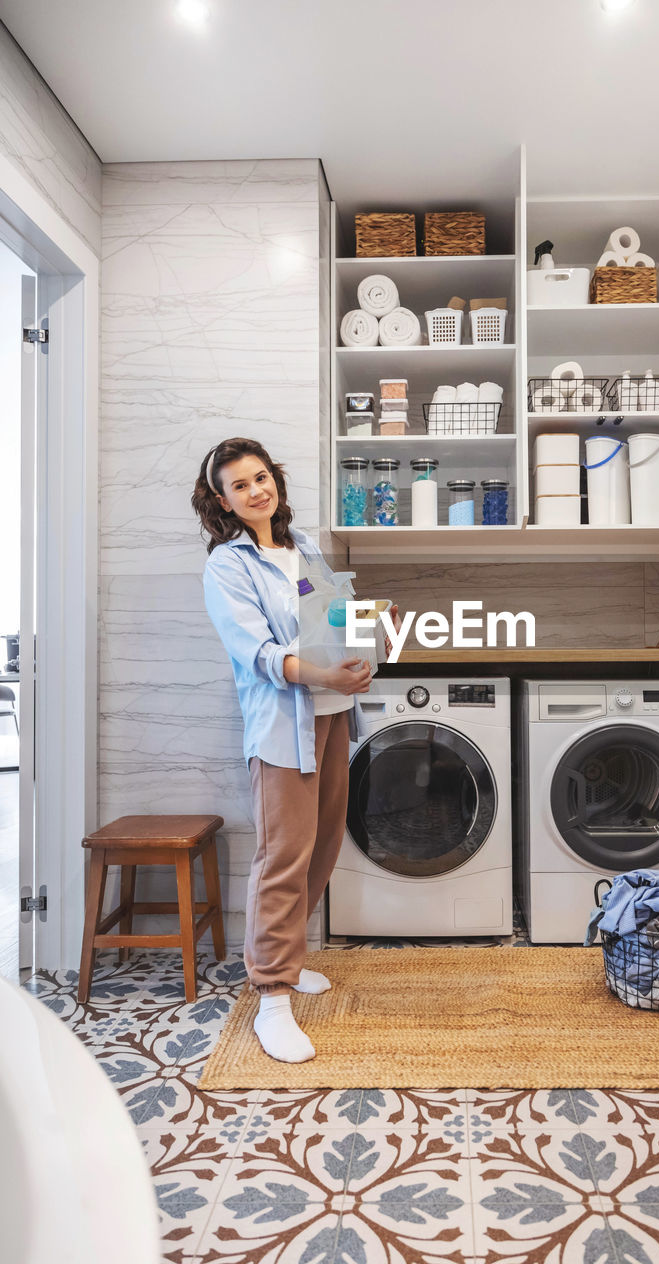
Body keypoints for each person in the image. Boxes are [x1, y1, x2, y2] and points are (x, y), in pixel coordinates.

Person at [192, 437, 397, 1062]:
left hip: (333, 718)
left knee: (324, 843)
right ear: (223, 502)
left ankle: (290, 958)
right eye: (240, 486)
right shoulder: (229, 565)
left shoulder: (302, 547)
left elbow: (328, 618)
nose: (257, 491)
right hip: (285, 725)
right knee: (283, 856)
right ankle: (272, 997)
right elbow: (256, 652)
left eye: (261, 477)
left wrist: (372, 634)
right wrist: (326, 673)